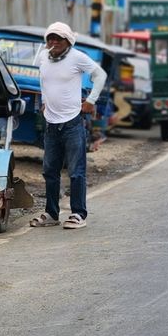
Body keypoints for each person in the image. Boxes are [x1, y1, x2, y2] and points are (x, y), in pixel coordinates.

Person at [29, 21, 107, 230]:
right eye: (50, 38)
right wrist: (45, 102)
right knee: (50, 171)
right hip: (51, 125)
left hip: (72, 123)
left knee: (76, 171)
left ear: (68, 41)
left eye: (58, 38)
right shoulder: (43, 56)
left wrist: (91, 100)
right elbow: (43, 81)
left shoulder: (77, 57)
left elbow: (100, 75)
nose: (53, 42)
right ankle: (52, 214)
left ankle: (78, 214)